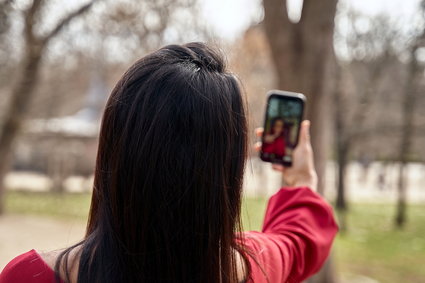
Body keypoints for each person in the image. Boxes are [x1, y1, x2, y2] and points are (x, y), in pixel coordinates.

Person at [0, 42, 338, 283]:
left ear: (114, 149)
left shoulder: (28, 277)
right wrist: (299, 181)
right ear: (226, 171)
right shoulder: (256, 266)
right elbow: (297, 242)